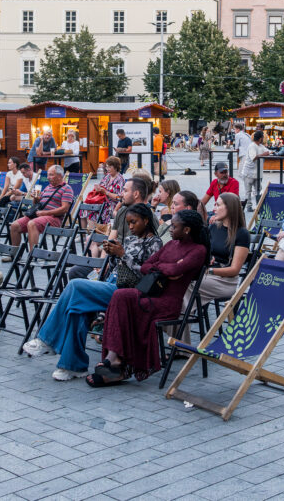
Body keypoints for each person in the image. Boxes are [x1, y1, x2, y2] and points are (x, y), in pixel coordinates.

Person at [23, 203, 163, 381]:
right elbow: (117, 269)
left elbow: (147, 274)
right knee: (77, 309)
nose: (131, 227)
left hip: (130, 292)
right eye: (128, 223)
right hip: (115, 283)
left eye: (134, 222)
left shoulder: (155, 243)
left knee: (75, 286)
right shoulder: (129, 240)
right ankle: (72, 366)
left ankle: (47, 339)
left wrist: (122, 255)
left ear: (146, 220)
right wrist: (112, 255)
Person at [87, 210, 209, 387]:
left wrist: (164, 268)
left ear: (187, 229)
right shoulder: (171, 245)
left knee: (134, 305)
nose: (170, 229)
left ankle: (118, 366)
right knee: (120, 295)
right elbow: (146, 266)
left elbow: (173, 271)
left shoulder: (199, 250)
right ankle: (113, 357)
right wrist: (168, 267)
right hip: (151, 292)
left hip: (168, 302)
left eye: (174, 226)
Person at [179, 193, 249, 340]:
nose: (214, 208)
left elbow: (235, 270)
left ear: (229, 208)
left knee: (187, 285)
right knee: (180, 282)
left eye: (218, 205)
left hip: (226, 280)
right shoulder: (213, 228)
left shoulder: (241, 234)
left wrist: (208, 270)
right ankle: (177, 329)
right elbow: (204, 252)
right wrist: (206, 259)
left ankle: (180, 338)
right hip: (208, 275)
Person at [68, 177, 151, 280]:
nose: (121, 194)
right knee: (75, 272)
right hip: (111, 263)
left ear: (136, 194)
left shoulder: (148, 217)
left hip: (126, 268)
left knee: (76, 283)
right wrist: (101, 265)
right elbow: (110, 241)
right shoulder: (122, 211)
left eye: (125, 191)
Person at [9, 164, 74, 249]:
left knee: (32, 224)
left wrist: (45, 213)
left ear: (59, 176)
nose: (48, 177)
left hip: (54, 218)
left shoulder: (67, 188)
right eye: (48, 175)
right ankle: (14, 254)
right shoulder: (48, 188)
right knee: (14, 226)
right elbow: (36, 204)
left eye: (51, 175)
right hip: (39, 215)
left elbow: (65, 209)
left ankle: (32, 256)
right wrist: (36, 198)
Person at [85, 156, 125, 226]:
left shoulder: (120, 179)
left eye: (110, 167)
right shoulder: (107, 177)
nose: (107, 169)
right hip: (102, 201)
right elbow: (101, 187)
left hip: (113, 204)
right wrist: (97, 189)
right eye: (106, 167)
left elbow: (119, 198)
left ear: (116, 167)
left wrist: (106, 192)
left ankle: (96, 232)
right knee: (84, 208)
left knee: (97, 209)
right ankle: (86, 234)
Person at [240, 130, 271, 206]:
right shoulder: (252, 146)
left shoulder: (260, 146)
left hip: (257, 173)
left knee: (258, 190)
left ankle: (258, 206)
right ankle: (249, 206)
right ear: (260, 138)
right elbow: (253, 157)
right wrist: (264, 154)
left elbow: (269, 151)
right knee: (248, 191)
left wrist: (269, 152)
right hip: (249, 173)